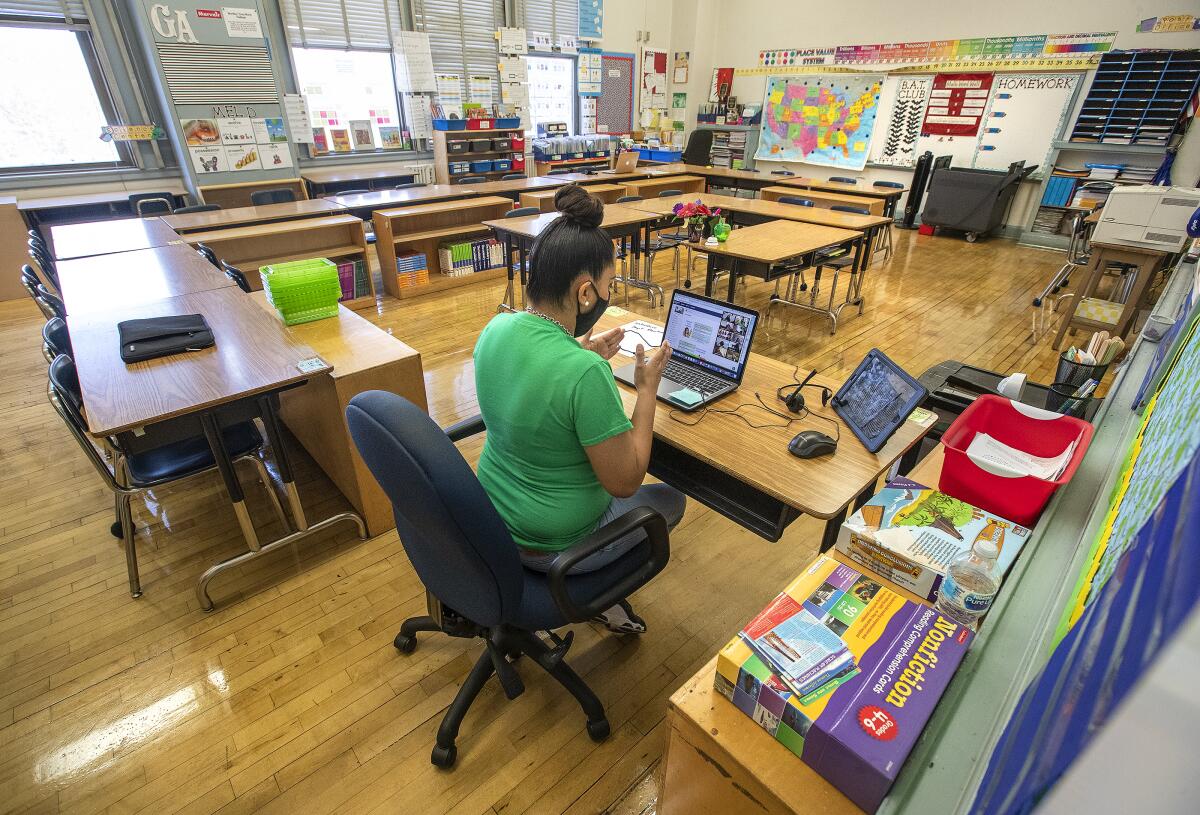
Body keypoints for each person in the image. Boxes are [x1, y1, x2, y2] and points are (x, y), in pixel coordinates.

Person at [473, 184, 686, 634]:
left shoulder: (497, 327)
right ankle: (600, 600)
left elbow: (535, 373)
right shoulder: (584, 373)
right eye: (609, 286)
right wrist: (646, 388)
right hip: (553, 549)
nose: (609, 294)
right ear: (586, 293)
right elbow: (627, 482)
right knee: (669, 499)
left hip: (493, 521)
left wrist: (577, 348)